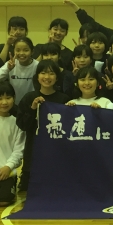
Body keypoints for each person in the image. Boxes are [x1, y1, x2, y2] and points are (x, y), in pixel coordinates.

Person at [16, 60, 70, 191]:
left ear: (57, 77)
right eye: (43, 73)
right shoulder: (29, 97)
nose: (47, 77)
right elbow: (22, 125)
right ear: (37, 76)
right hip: (34, 150)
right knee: (29, 189)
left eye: (51, 73)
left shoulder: (63, 99)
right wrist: (33, 108)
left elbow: (68, 127)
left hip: (57, 151)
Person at [0, 37, 37, 105]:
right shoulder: (10, 64)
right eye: (18, 50)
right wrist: (8, 69)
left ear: (32, 51)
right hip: (12, 105)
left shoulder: (37, 66)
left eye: (26, 50)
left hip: (32, 104)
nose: (21, 53)